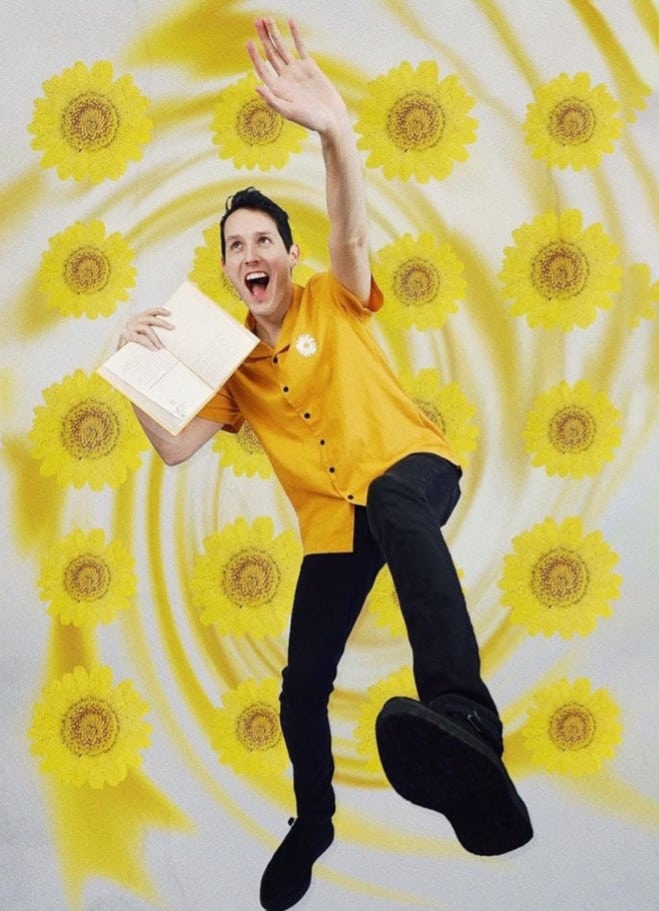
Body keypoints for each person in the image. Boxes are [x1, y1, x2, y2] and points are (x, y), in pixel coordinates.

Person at [119, 16, 532, 911]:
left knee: (394, 500)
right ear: (228, 272)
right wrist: (138, 374)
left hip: (411, 467)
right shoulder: (228, 363)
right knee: (300, 685)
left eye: (263, 240)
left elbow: (349, 229)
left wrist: (336, 132)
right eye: (236, 247)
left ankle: (466, 715)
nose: (250, 255)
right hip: (332, 525)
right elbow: (178, 445)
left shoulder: (331, 295)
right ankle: (313, 822)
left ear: (288, 254)